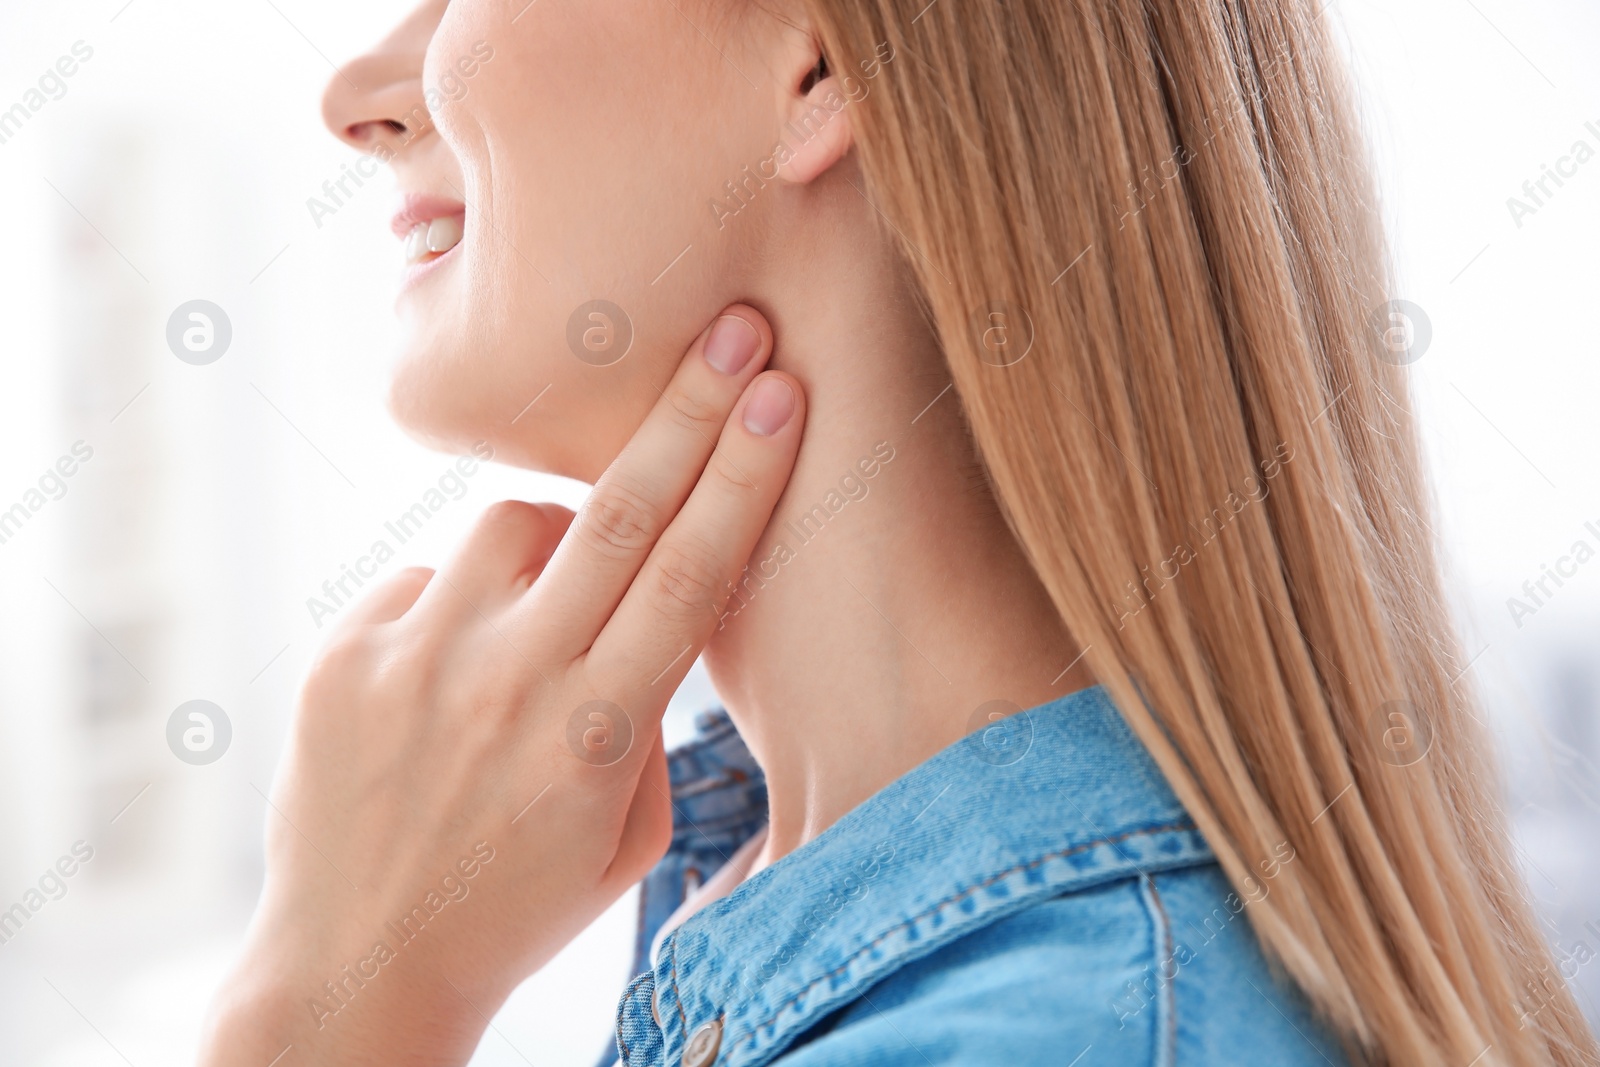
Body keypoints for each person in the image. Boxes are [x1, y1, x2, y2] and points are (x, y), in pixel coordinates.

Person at [198, 1, 1599, 1064]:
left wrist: (333, 1002)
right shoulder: (820, 916)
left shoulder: (1042, 1033)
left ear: (821, 65)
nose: (353, 95)